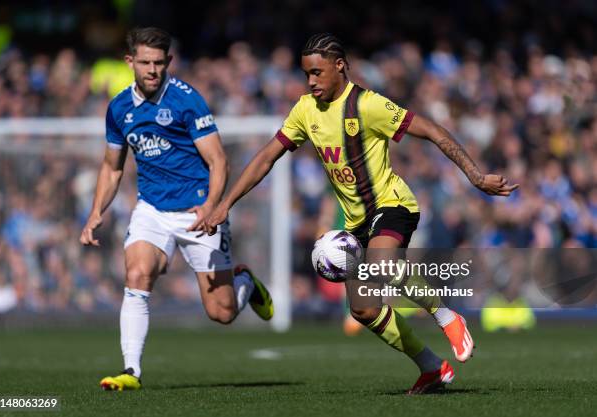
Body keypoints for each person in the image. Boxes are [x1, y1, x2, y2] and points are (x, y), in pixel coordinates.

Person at [204, 33, 518, 394]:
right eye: (307, 73)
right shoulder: (305, 110)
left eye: (317, 73)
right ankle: (430, 366)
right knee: (364, 310)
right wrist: (226, 203)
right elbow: (265, 157)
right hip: (355, 224)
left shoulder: (367, 105)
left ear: (340, 67)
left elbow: (430, 129)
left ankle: (446, 315)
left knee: (382, 263)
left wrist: (475, 175)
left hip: (392, 204)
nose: (311, 81)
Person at [79, 27, 273, 391]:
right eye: (145, 63)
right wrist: (95, 212)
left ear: (168, 62)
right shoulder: (119, 108)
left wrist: (212, 207)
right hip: (151, 209)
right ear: (130, 62)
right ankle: (130, 372)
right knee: (137, 273)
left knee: (222, 312)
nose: (152, 70)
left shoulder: (187, 101)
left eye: (158, 63)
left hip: (198, 211)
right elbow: (112, 166)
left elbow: (218, 162)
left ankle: (244, 281)